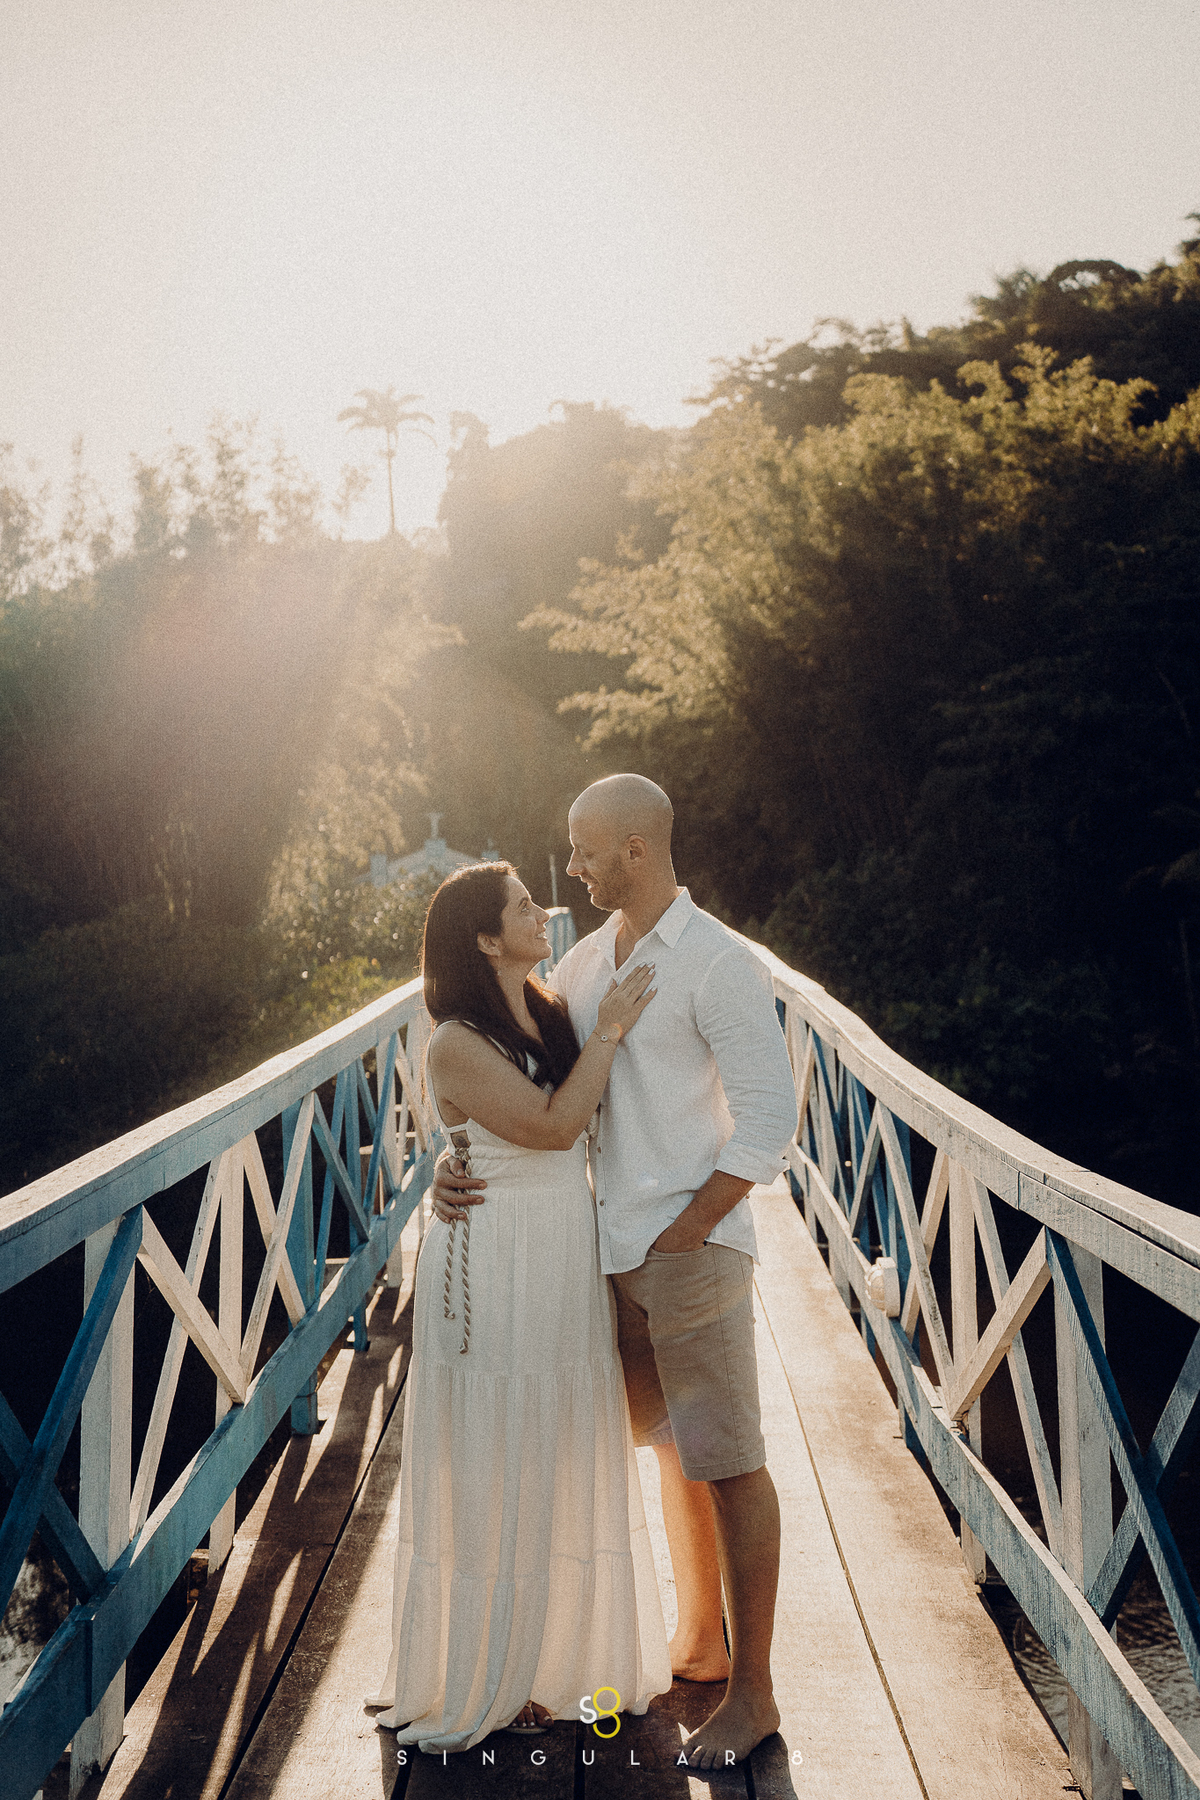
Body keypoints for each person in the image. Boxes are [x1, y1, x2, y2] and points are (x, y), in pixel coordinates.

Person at [434, 775, 799, 1769]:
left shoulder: (720, 963)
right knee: (671, 1454)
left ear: (637, 849)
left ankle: (755, 1695)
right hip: (600, 1252)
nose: (574, 869)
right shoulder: (587, 967)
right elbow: (533, 1096)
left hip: (689, 1247)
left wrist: (696, 1226)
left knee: (728, 1460)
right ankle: (700, 1643)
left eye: (587, 849)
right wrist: (450, 1163)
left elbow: (771, 1115)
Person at [370, 860, 671, 1752]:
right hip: (493, 1260)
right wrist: (612, 1031)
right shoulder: (453, 1038)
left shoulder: (546, 1012)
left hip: (561, 1251)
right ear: (484, 939)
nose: (546, 911)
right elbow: (549, 1125)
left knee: (563, 1432)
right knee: (498, 1442)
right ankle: (483, 1669)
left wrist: (598, 1030)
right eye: (524, 906)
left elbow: (579, 1115)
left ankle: (560, 1663)